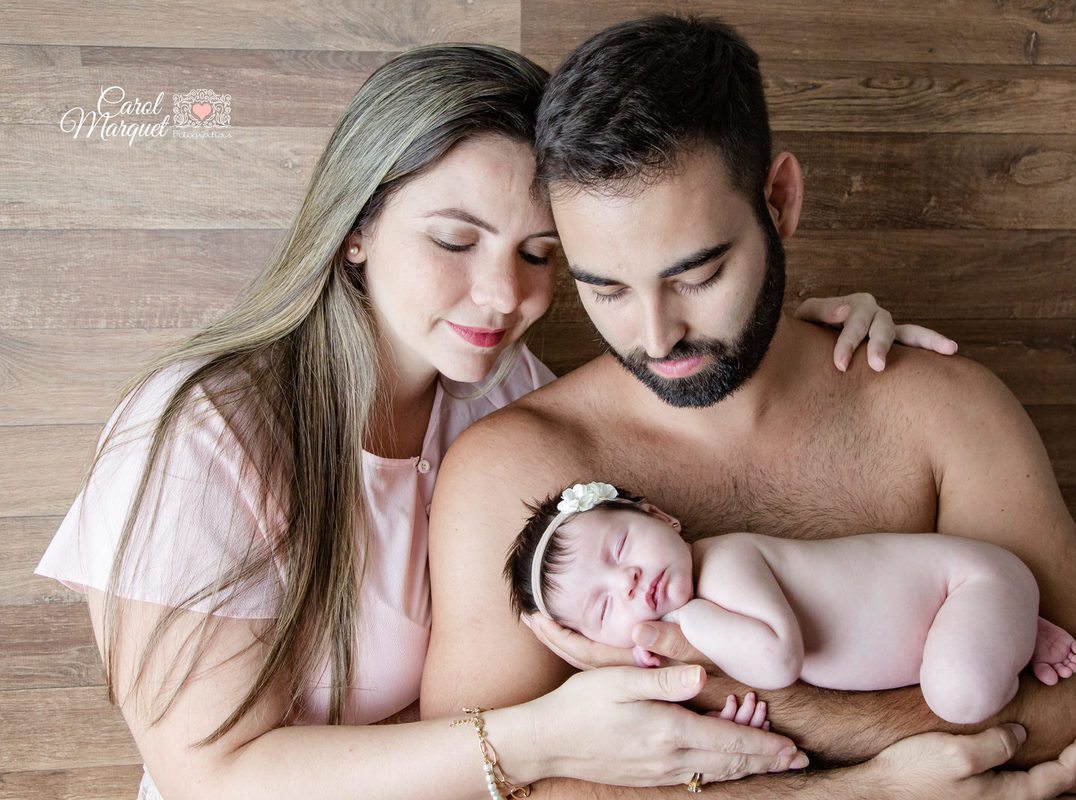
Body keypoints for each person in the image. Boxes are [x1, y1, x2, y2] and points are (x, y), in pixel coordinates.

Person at [33, 43, 952, 800]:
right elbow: (208, 776)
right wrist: (531, 740)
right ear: (356, 227)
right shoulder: (203, 434)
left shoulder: (501, 395)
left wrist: (784, 332)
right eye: (453, 239)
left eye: (539, 253)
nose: (503, 294)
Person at [420, 15, 1076, 797]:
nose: (656, 334)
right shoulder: (513, 474)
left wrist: (766, 706)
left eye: (696, 275)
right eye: (604, 288)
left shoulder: (938, 409)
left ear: (778, 202)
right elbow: (477, 789)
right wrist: (848, 787)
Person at [506, 481, 1076, 724]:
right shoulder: (698, 622)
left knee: (960, 696)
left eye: (622, 546)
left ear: (661, 517)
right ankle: (1006, 629)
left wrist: (689, 619)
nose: (628, 581)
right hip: (947, 616)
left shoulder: (724, 565)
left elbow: (779, 662)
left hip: (964, 583)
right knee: (952, 681)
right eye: (605, 609)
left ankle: (1014, 629)